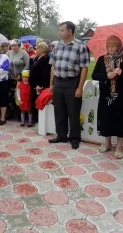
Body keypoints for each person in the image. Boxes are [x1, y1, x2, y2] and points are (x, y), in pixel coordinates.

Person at [92, 35, 123, 158]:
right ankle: (107, 143)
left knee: (119, 118)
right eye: (108, 46)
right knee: (106, 117)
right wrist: (107, 75)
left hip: (121, 95)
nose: (110, 48)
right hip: (106, 94)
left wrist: (122, 73)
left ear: (118, 47)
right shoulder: (102, 59)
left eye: (113, 46)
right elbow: (94, 75)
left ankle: (119, 146)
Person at [49, 21, 90, 150]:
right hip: (59, 82)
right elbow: (53, 66)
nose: (59, 32)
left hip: (72, 82)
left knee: (73, 112)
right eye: (59, 30)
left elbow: (84, 68)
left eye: (62, 30)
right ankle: (61, 135)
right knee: (59, 111)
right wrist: (51, 83)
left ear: (70, 31)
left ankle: (74, 138)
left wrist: (79, 87)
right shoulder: (57, 46)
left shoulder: (81, 46)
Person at [6, 39, 30, 119]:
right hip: (10, 77)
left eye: (15, 45)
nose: (13, 47)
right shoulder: (8, 53)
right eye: (12, 45)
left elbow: (27, 65)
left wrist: (21, 74)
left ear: (19, 45)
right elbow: (5, 62)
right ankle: (11, 113)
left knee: (19, 95)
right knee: (11, 96)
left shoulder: (24, 53)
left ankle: (20, 114)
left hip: (20, 78)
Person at [29, 41, 51, 122]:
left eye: (37, 48)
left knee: (39, 101)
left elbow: (46, 73)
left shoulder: (46, 59)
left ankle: (40, 120)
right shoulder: (37, 58)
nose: (36, 50)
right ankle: (35, 118)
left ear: (42, 49)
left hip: (40, 85)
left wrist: (40, 84)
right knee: (34, 101)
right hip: (34, 85)